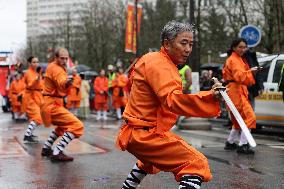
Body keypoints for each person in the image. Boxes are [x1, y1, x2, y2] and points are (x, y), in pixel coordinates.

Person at [116, 21, 223, 189]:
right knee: (196, 163)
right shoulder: (159, 64)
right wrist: (211, 96)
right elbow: (172, 100)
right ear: (167, 43)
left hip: (140, 133)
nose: (188, 49)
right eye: (184, 43)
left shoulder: (153, 60)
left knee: (149, 161)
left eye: (191, 44)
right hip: (144, 135)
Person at [40, 48, 84, 161]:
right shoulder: (56, 69)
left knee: (62, 127)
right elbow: (61, 80)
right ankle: (57, 151)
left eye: (66, 58)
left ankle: (46, 148)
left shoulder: (56, 67)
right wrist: (66, 82)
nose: (64, 60)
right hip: (52, 104)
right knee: (77, 125)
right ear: (56, 58)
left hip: (51, 103)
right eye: (62, 58)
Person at [222, 38, 259, 154]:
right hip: (236, 91)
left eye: (244, 47)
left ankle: (231, 142)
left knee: (238, 120)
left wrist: (250, 71)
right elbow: (239, 76)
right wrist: (250, 72)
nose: (243, 49)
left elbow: (240, 75)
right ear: (234, 48)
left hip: (233, 90)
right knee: (250, 117)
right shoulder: (234, 60)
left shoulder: (236, 59)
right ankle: (243, 144)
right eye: (240, 47)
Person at [23, 56, 44, 143]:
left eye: (37, 62)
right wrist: (37, 79)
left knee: (37, 118)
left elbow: (41, 84)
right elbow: (31, 85)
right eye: (34, 62)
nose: (36, 64)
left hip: (38, 96)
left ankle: (29, 133)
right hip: (31, 97)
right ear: (29, 63)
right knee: (37, 117)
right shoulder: (28, 73)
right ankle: (27, 135)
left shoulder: (37, 72)